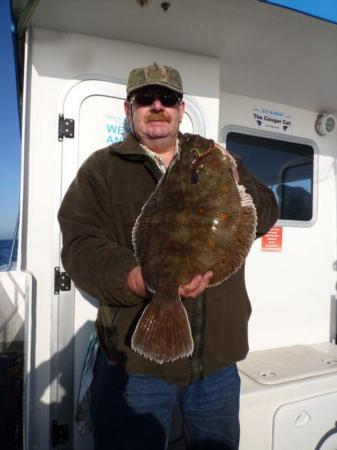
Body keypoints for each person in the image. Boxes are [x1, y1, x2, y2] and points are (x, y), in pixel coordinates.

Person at [58, 62, 278, 450]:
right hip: (135, 368)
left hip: (217, 364)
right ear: (129, 109)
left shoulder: (213, 157)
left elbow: (266, 213)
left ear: (181, 108)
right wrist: (137, 279)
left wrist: (233, 177)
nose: (157, 105)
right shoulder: (102, 170)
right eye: (145, 98)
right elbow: (80, 246)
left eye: (168, 98)